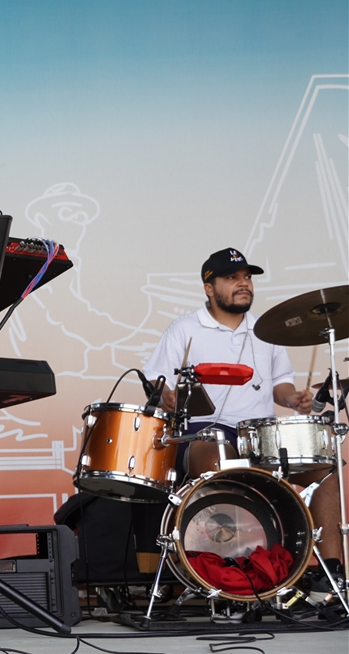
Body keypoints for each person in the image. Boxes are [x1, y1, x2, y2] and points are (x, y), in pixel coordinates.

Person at [143, 248, 342, 582]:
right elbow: (155, 382)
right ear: (209, 288)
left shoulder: (268, 330)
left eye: (247, 277)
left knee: (325, 468)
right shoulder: (184, 329)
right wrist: (166, 396)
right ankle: (226, 573)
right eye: (232, 277)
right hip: (204, 432)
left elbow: (280, 384)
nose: (244, 283)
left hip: (259, 434)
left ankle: (331, 576)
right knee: (216, 455)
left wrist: (292, 398)